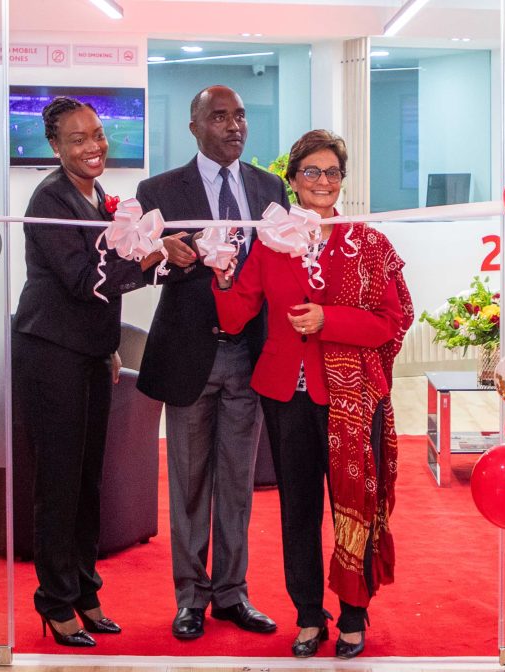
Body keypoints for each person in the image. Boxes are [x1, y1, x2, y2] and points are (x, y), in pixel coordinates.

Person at [210, 130, 414, 659]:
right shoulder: (271, 241)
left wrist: (330, 320)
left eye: (332, 173)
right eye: (311, 173)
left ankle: (352, 615)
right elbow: (235, 318)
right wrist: (222, 275)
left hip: (352, 399)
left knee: (353, 506)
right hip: (286, 394)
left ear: (341, 181)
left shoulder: (366, 243)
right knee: (297, 510)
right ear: (293, 180)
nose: (323, 182)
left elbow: (391, 323)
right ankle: (307, 615)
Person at [12, 96, 171, 647]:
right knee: (58, 483)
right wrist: (153, 257)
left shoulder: (100, 196)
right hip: (50, 352)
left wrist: (109, 344)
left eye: (97, 134)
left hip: (88, 352)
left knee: (86, 481)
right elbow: (87, 282)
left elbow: (110, 284)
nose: (93, 146)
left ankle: (84, 592)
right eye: (77, 139)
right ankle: (54, 603)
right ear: (55, 147)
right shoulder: (49, 198)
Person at [135, 85, 290, 640]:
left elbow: (282, 266)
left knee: (237, 483)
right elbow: (145, 263)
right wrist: (169, 253)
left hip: (249, 355)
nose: (234, 126)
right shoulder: (158, 189)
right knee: (189, 484)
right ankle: (189, 597)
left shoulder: (270, 187)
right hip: (190, 356)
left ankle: (231, 593)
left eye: (240, 116)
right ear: (194, 126)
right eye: (220, 117)